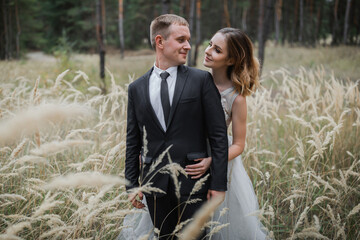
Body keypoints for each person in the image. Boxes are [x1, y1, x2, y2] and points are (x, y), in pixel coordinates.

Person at [122, 14, 228, 240]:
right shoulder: (136, 88)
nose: (188, 46)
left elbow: (219, 135)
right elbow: (133, 140)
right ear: (160, 42)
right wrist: (131, 184)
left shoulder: (201, 80)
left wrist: (219, 184)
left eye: (188, 40)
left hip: (194, 180)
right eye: (181, 40)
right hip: (154, 183)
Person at [185, 28, 268, 239]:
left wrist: (212, 162)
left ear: (231, 60)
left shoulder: (236, 98)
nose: (208, 51)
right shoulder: (194, 80)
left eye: (217, 50)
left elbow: (239, 144)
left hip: (218, 161)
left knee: (217, 225)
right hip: (186, 156)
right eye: (210, 44)